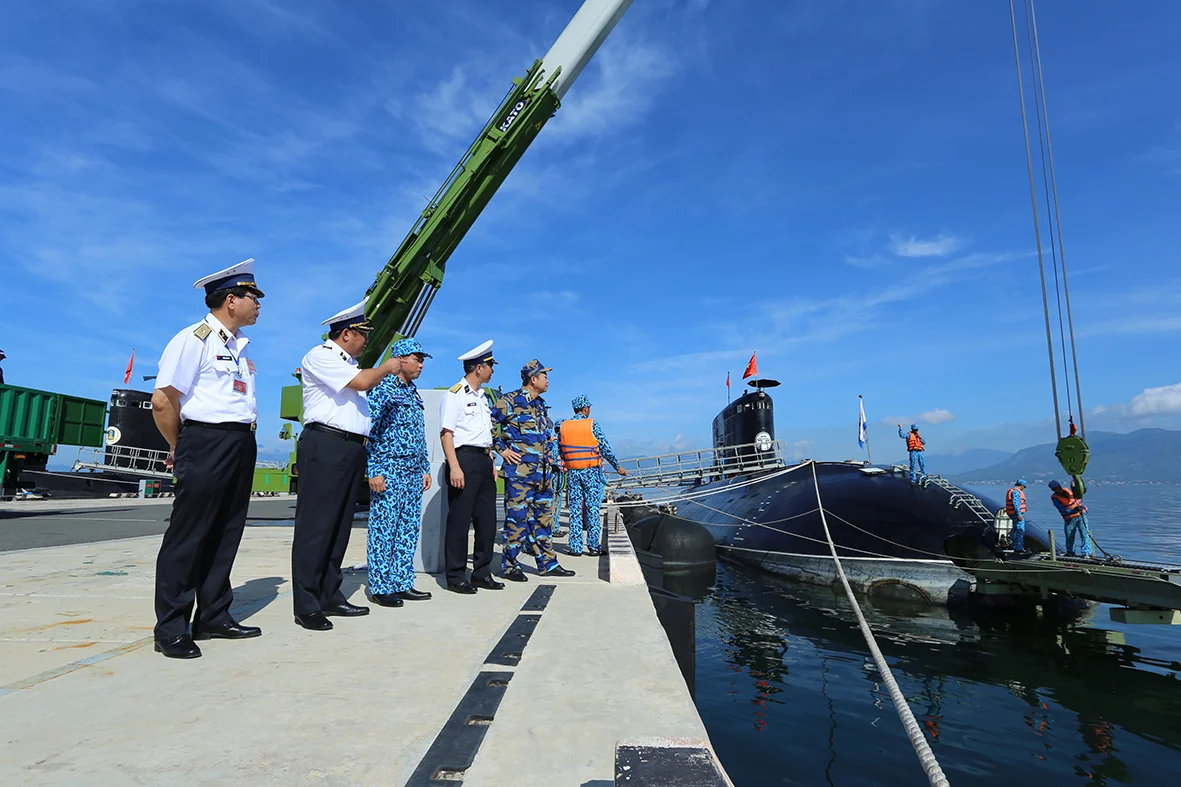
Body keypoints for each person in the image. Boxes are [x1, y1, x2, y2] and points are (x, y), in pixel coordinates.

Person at [150, 258, 264, 659]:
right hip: (204, 441)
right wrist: (179, 445)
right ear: (231, 300)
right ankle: (171, 627)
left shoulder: (239, 348)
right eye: (252, 297)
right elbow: (163, 401)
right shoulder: (193, 339)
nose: (258, 304)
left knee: (225, 533)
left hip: (240, 443)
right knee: (189, 536)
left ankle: (214, 615)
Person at [291, 298, 404, 631]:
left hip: (351, 448)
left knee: (338, 527)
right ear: (346, 334)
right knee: (316, 528)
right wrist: (387, 367)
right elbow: (363, 383)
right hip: (326, 444)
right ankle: (307, 605)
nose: (367, 340)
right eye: (363, 334)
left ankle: (329, 593)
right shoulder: (321, 356)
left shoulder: (350, 365)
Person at [367, 337, 434, 607]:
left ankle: (402, 582)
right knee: (384, 530)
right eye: (417, 359)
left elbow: (419, 434)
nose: (421, 365)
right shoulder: (383, 389)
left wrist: (425, 467)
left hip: (412, 472)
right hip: (390, 469)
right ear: (400, 359)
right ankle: (381, 586)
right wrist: (374, 469)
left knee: (407, 529)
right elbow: (370, 430)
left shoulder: (413, 393)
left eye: (422, 360)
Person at [493, 359, 575, 581]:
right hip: (520, 475)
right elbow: (486, 424)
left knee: (543, 521)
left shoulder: (540, 405)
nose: (548, 380)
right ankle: (511, 566)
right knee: (516, 522)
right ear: (533, 379)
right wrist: (502, 450)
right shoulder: (509, 401)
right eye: (545, 376)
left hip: (543, 475)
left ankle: (548, 564)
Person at [439, 340, 504, 594]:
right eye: (490, 366)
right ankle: (455, 576)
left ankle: (481, 573)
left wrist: (492, 462)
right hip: (463, 458)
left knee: (487, 521)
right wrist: (454, 467)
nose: (492, 370)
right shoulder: (455, 395)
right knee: (459, 520)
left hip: (484, 460)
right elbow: (446, 434)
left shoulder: (483, 398)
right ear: (479, 368)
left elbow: (484, 435)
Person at [556, 394, 627, 556]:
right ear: (586, 408)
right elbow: (605, 448)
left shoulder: (564, 427)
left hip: (573, 473)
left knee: (575, 509)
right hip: (591, 472)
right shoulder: (592, 424)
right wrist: (617, 467)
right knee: (592, 508)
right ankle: (593, 547)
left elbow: (560, 450)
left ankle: (575, 547)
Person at [1049, 479, 1093, 557]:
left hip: (1081, 516)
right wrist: (1074, 510)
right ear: (1053, 490)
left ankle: (1086, 553)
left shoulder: (1069, 491)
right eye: (1056, 488)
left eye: (1059, 487)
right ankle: (1070, 551)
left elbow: (1078, 494)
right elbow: (1063, 510)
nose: (1059, 489)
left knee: (1084, 534)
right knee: (1069, 535)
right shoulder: (1055, 498)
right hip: (1070, 519)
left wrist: (1082, 490)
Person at [1005, 479, 1028, 552]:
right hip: (1016, 514)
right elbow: (1016, 504)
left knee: (1015, 530)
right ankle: (1018, 547)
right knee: (1019, 530)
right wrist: (1019, 514)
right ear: (1021, 486)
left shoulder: (1012, 491)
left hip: (1012, 514)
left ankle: (1014, 546)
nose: (1023, 488)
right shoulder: (1016, 492)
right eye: (1023, 487)